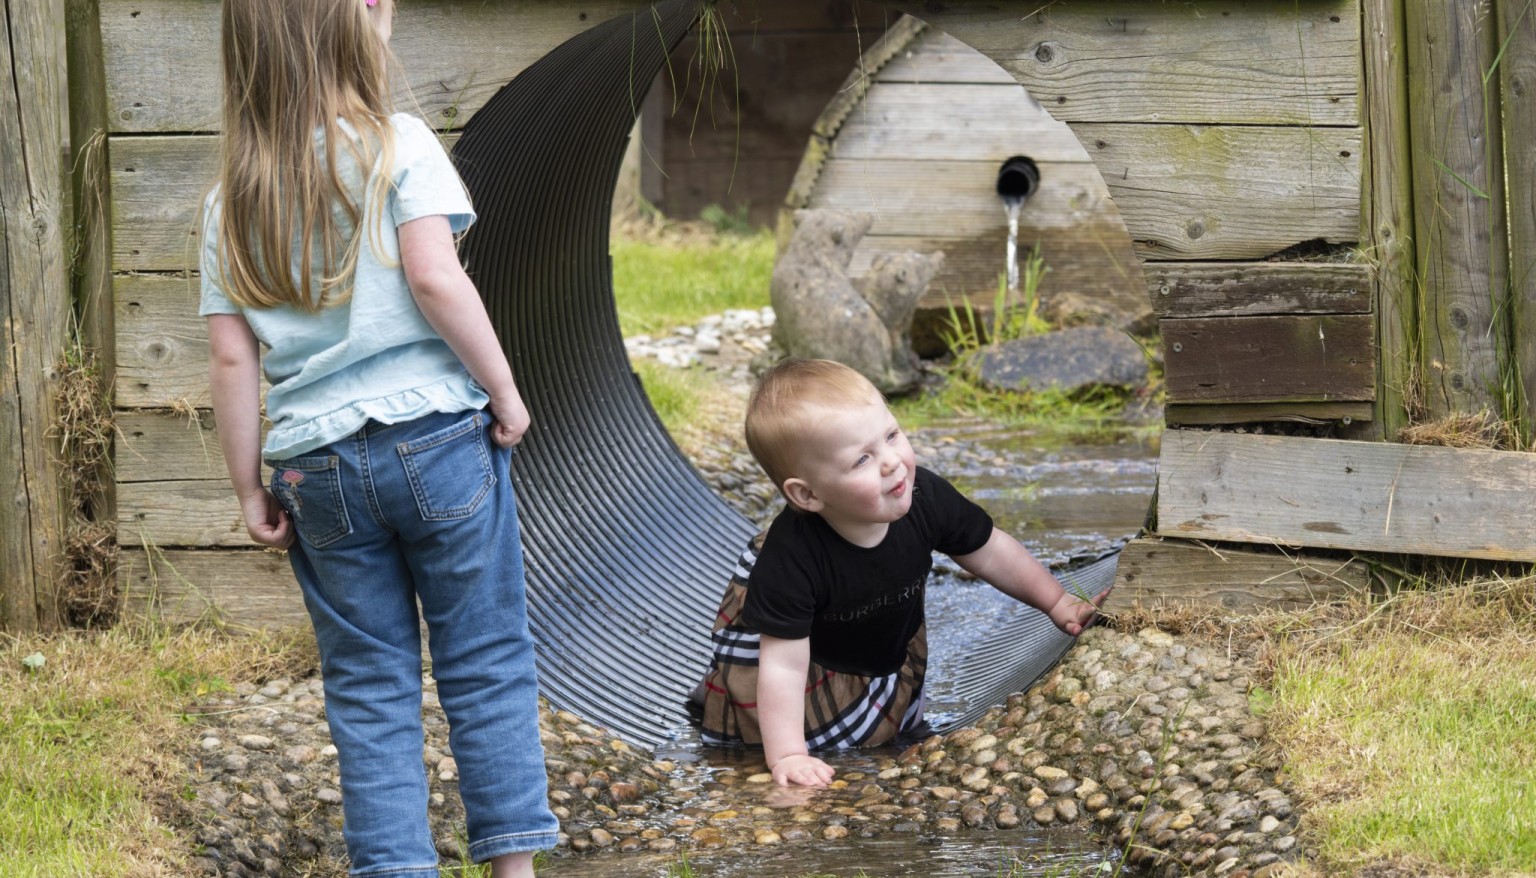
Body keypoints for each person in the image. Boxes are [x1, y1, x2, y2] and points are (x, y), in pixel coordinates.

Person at [201, 1, 557, 875]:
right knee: (484, 658)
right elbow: (436, 278)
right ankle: (512, 866)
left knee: (368, 685)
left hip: (312, 470)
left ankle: (396, 866)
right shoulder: (397, 144)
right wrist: (503, 389)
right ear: (357, 26)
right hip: (437, 440)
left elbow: (231, 359)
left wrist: (249, 486)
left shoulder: (229, 200)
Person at [692, 359, 1106, 788]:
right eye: (862, 460)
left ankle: (879, 719)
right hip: (805, 658)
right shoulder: (792, 557)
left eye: (891, 436)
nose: (892, 463)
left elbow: (991, 550)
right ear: (808, 494)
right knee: (761, 712)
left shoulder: (924, 496)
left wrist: (1056, 601)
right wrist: (789, 755)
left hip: (882, 639)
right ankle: (721, 696)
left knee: (891, 731)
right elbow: (782, 668)